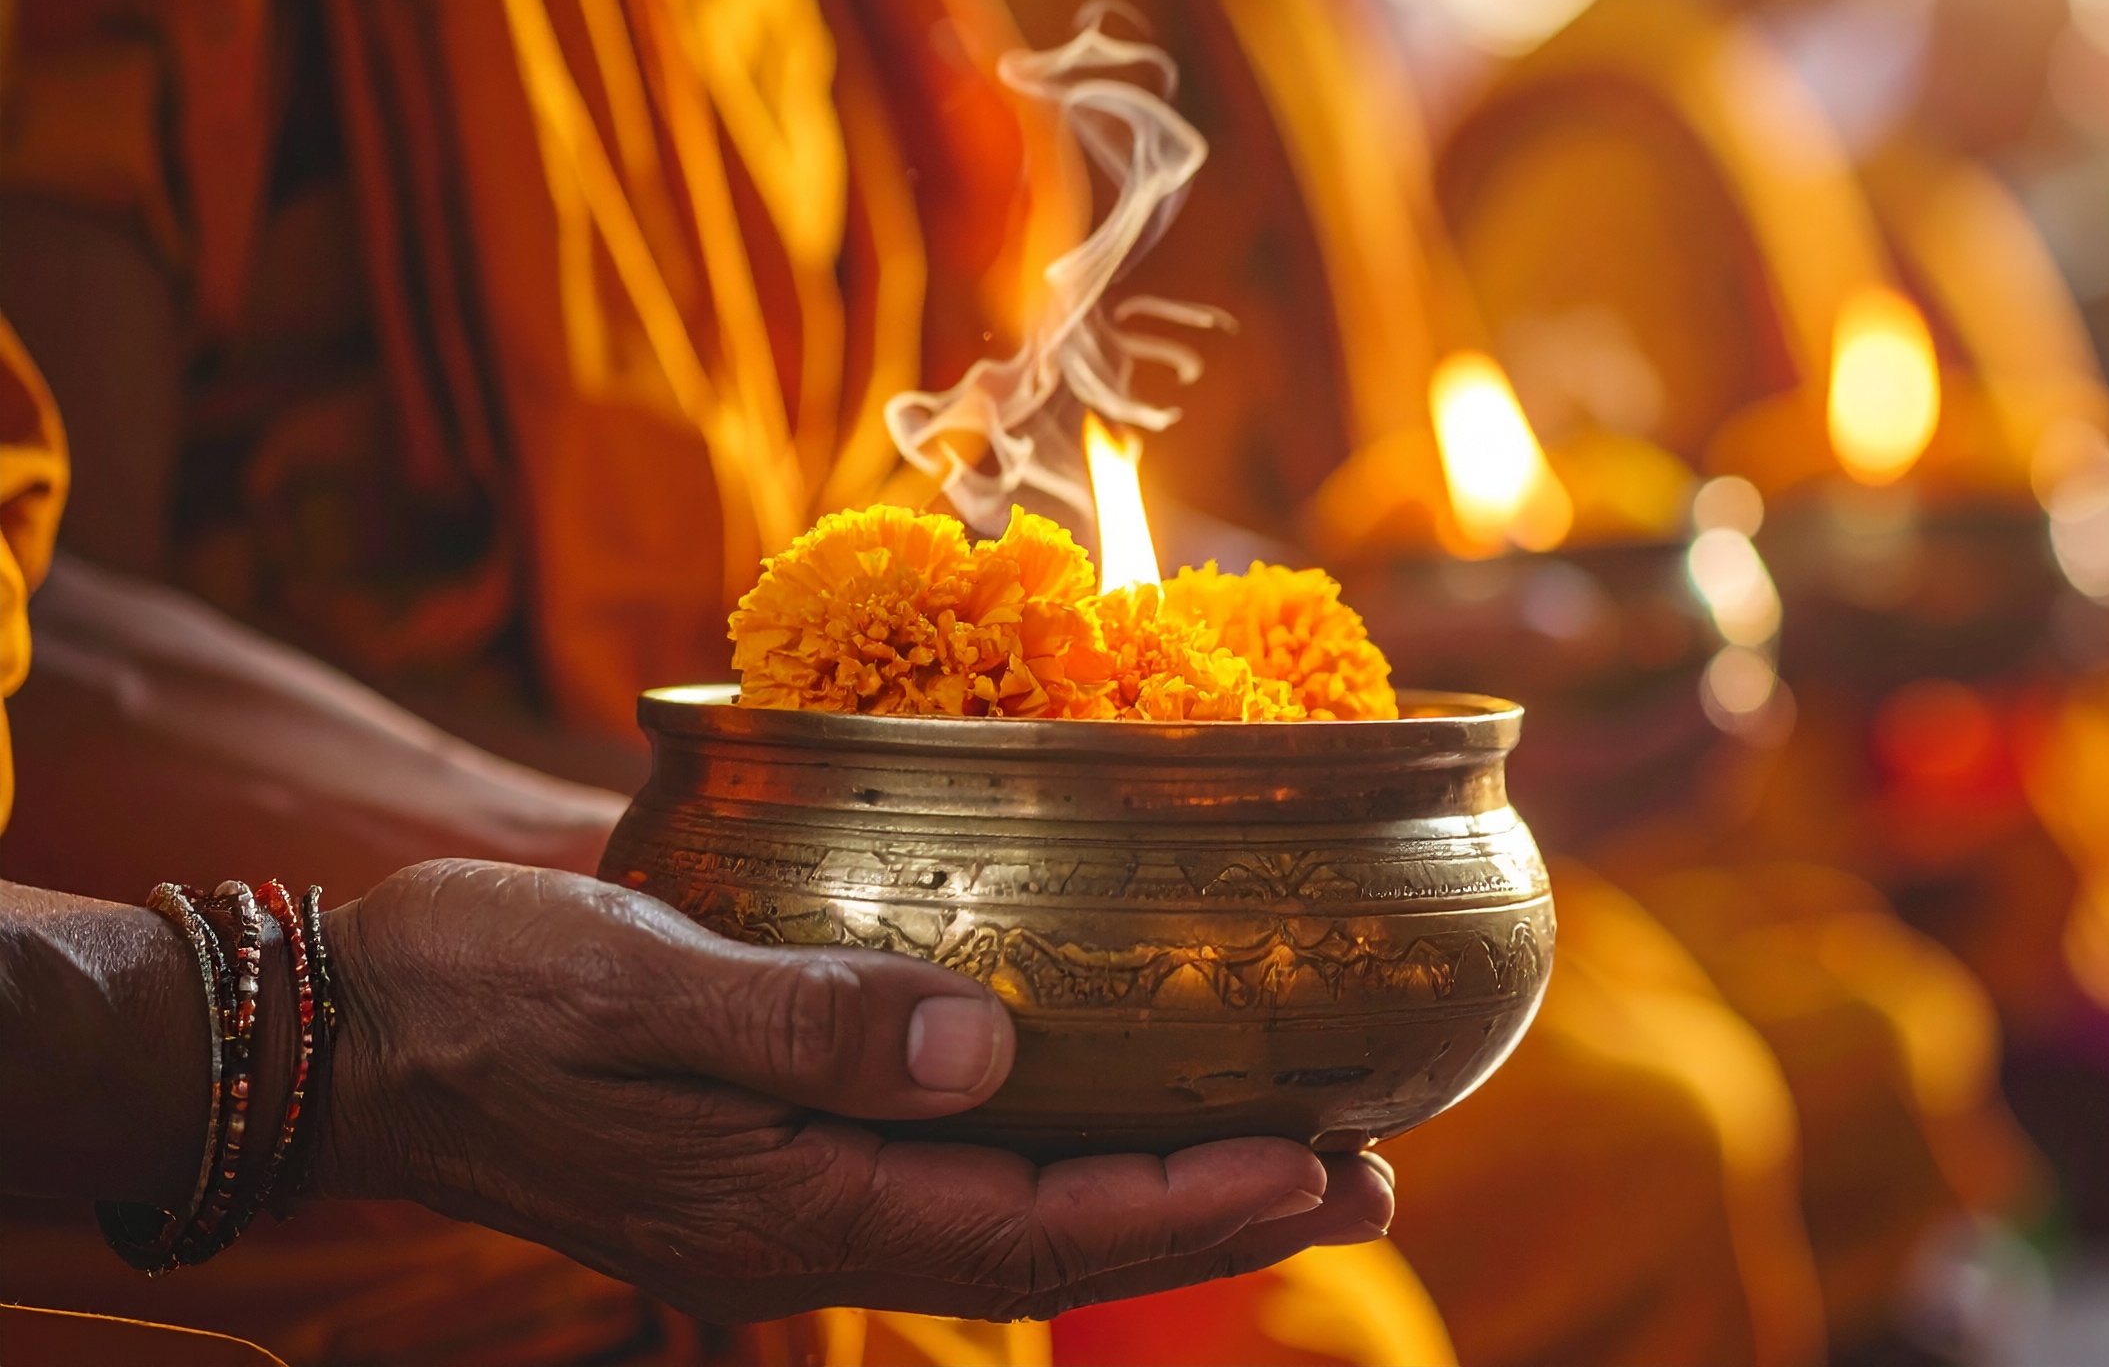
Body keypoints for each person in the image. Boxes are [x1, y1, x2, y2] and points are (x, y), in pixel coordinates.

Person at [0, 317, 1392, 1350]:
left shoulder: (877, 27)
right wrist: (340, 1033)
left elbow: (985, 468)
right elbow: (65, 619)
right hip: (276, 1157)